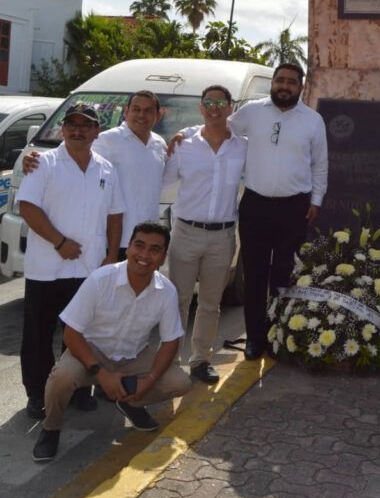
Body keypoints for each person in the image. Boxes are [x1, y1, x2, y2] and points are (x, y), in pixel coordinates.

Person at [32, 222, 191, 462]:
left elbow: (170, 342)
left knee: (180, 382)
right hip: (90, 354)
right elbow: (71, 333)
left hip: (133, 356)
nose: (145, 255)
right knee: (61, 377)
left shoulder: (166, 290)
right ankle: (51, 428)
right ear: (128, 249)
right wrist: (101, 373)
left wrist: (147, 381)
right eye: (139, 246)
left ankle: (131, 403)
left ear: (163, 257)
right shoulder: (101, 279)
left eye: (154, 249)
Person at [17, 103, 124, 419]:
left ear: (96, 131)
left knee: (79, 334)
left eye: (85, 125)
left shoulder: (106, 168)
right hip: (46, 269)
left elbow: (115, 216)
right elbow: (27, 207)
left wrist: (110, 257)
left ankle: (77, 388)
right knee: (38, 335)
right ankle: (37, 395)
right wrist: (59, 242)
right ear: (62, 130)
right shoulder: (44, 164)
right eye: (72, 125)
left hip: (88, 269)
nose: (78, 130)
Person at [228, 63, 328, 360]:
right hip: (256, 205)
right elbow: (221, 128)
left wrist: (317, 200)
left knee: (285, 274)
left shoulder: (313, 121)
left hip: (294, 207)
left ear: (301, 86)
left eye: (291, 82)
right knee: (255, 275)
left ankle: (279, 335)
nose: (284, 86)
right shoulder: (251, 112)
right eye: (280, 80)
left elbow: (320, 164)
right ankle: (254, 339)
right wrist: (187, 135)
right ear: (272, 83)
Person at [162, 85, 247, 383]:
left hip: (222, 237)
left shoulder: (242, 146)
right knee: (178, 300)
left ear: (230, 107)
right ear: (201, 107)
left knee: (211, 303)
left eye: (220, 103)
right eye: (208, 102)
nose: (214, 107)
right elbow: (160, 179)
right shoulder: (183, 144)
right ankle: (169, 362)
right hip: (186, 232)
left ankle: (200, 360)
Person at [24, 90, 168, 260]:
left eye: (148, 110)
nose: (141, 115)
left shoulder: (160, 144)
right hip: (116, 241)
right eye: (136, 109)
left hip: (148, 242)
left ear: (158, 115)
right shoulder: (107, 140)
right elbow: (74, 149)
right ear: (126, 111)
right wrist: (33, 158)